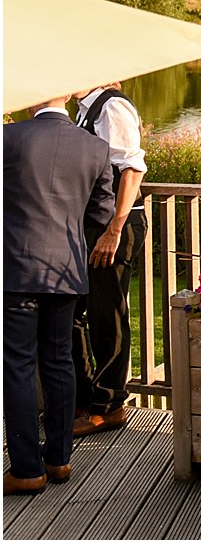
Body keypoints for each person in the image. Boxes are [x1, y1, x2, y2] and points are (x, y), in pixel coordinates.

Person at [3, 96, 115, 495]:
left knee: (16, 364)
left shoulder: (8, 137)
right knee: (58, 361)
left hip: (15, 269)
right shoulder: (95, 146)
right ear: (66, 97)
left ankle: (26, 469)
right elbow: (102, 214)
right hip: (66, 270)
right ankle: (60, 460)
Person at [71, 83, 148, 439]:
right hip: (94, 225)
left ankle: (110, 405)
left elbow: (132, 170)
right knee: (76, 312)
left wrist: (114, 230)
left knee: (108, 315)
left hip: (115, 225)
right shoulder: (88, 109)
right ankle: (85, 396)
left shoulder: (111, 107)